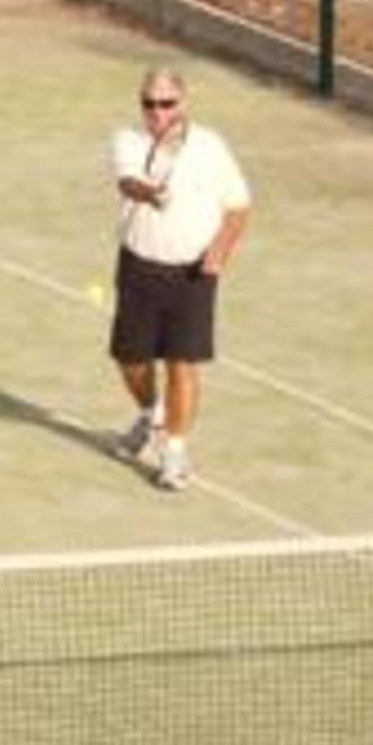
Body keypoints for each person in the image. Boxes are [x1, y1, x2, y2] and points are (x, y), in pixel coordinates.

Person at [105, 66, 252, 492]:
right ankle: (151, 415)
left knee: (181, 364)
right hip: (138, 266)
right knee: (131, 361)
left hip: (192, 274)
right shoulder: (127, 141)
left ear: (182, 104)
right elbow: (129, 182)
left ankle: (174, 452)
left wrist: (219, 255)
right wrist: (151, 193)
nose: (157, 112)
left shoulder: (211, 148)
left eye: (166, 103)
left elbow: (239, 207)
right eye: (149, 103)